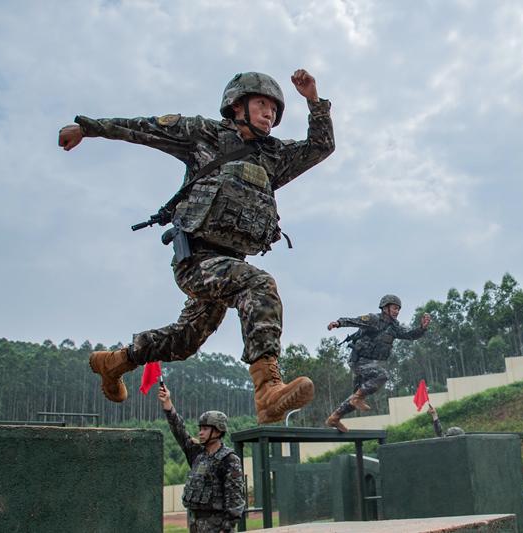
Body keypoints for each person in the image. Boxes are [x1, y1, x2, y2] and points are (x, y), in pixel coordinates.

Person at [58, 70, 335, 424]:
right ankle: (267, 391)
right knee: (259, 284)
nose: (269, 113)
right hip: (198, 259)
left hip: (229, 263)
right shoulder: (204, 135)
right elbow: (145, 128)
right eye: (262, 104)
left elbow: (320, 147)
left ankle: (114, 362)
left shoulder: (272, 157)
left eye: (274, 110)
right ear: (237, 106)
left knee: (185, 340)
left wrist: (314, 101)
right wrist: (87, 127)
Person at [324, 294, 431, 431]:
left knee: (357, 396)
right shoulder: (373, 319)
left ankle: (335, 418)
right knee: (381, 376)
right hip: (359, 360)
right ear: (385, 308)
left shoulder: (394, 327)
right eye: (394, 308)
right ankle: (356, 400)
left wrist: (422, 328)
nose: (397, 311)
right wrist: (338, 323)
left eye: (398, 309)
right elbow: (355, 321)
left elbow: (408, 334)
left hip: (370, 362)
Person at [158, 384, 245, 533]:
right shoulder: (197, 453)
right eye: (200, 429)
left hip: (217, 527)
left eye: (205, 429)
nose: (200, 433)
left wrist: (226, 528)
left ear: (218, 431)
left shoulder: (229, 460)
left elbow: (235, 500)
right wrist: (168, 404)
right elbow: (180, 431)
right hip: (195, 525)